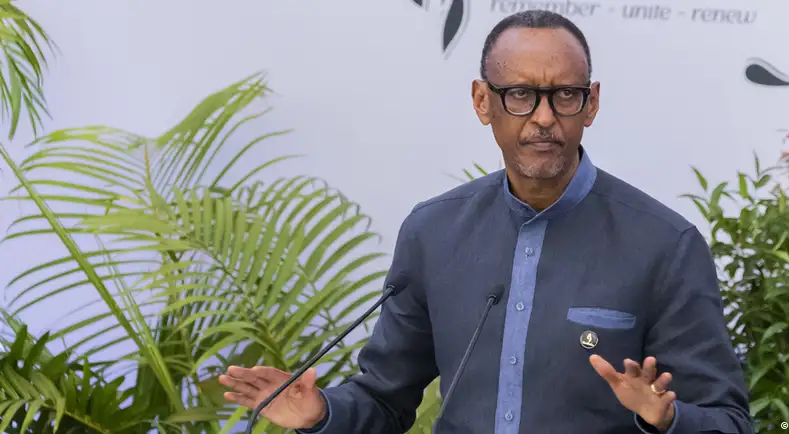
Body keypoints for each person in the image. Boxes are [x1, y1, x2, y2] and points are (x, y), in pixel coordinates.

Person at [219, 9, 752, 434]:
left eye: (565, 95)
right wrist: (319, 413)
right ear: (482, 101)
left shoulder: (665, 246)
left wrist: (665, 419)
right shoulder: (433, 233)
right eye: (520, 95)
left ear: (590, 104)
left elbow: (728, 421)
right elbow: (384, 400)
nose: (543, 117)